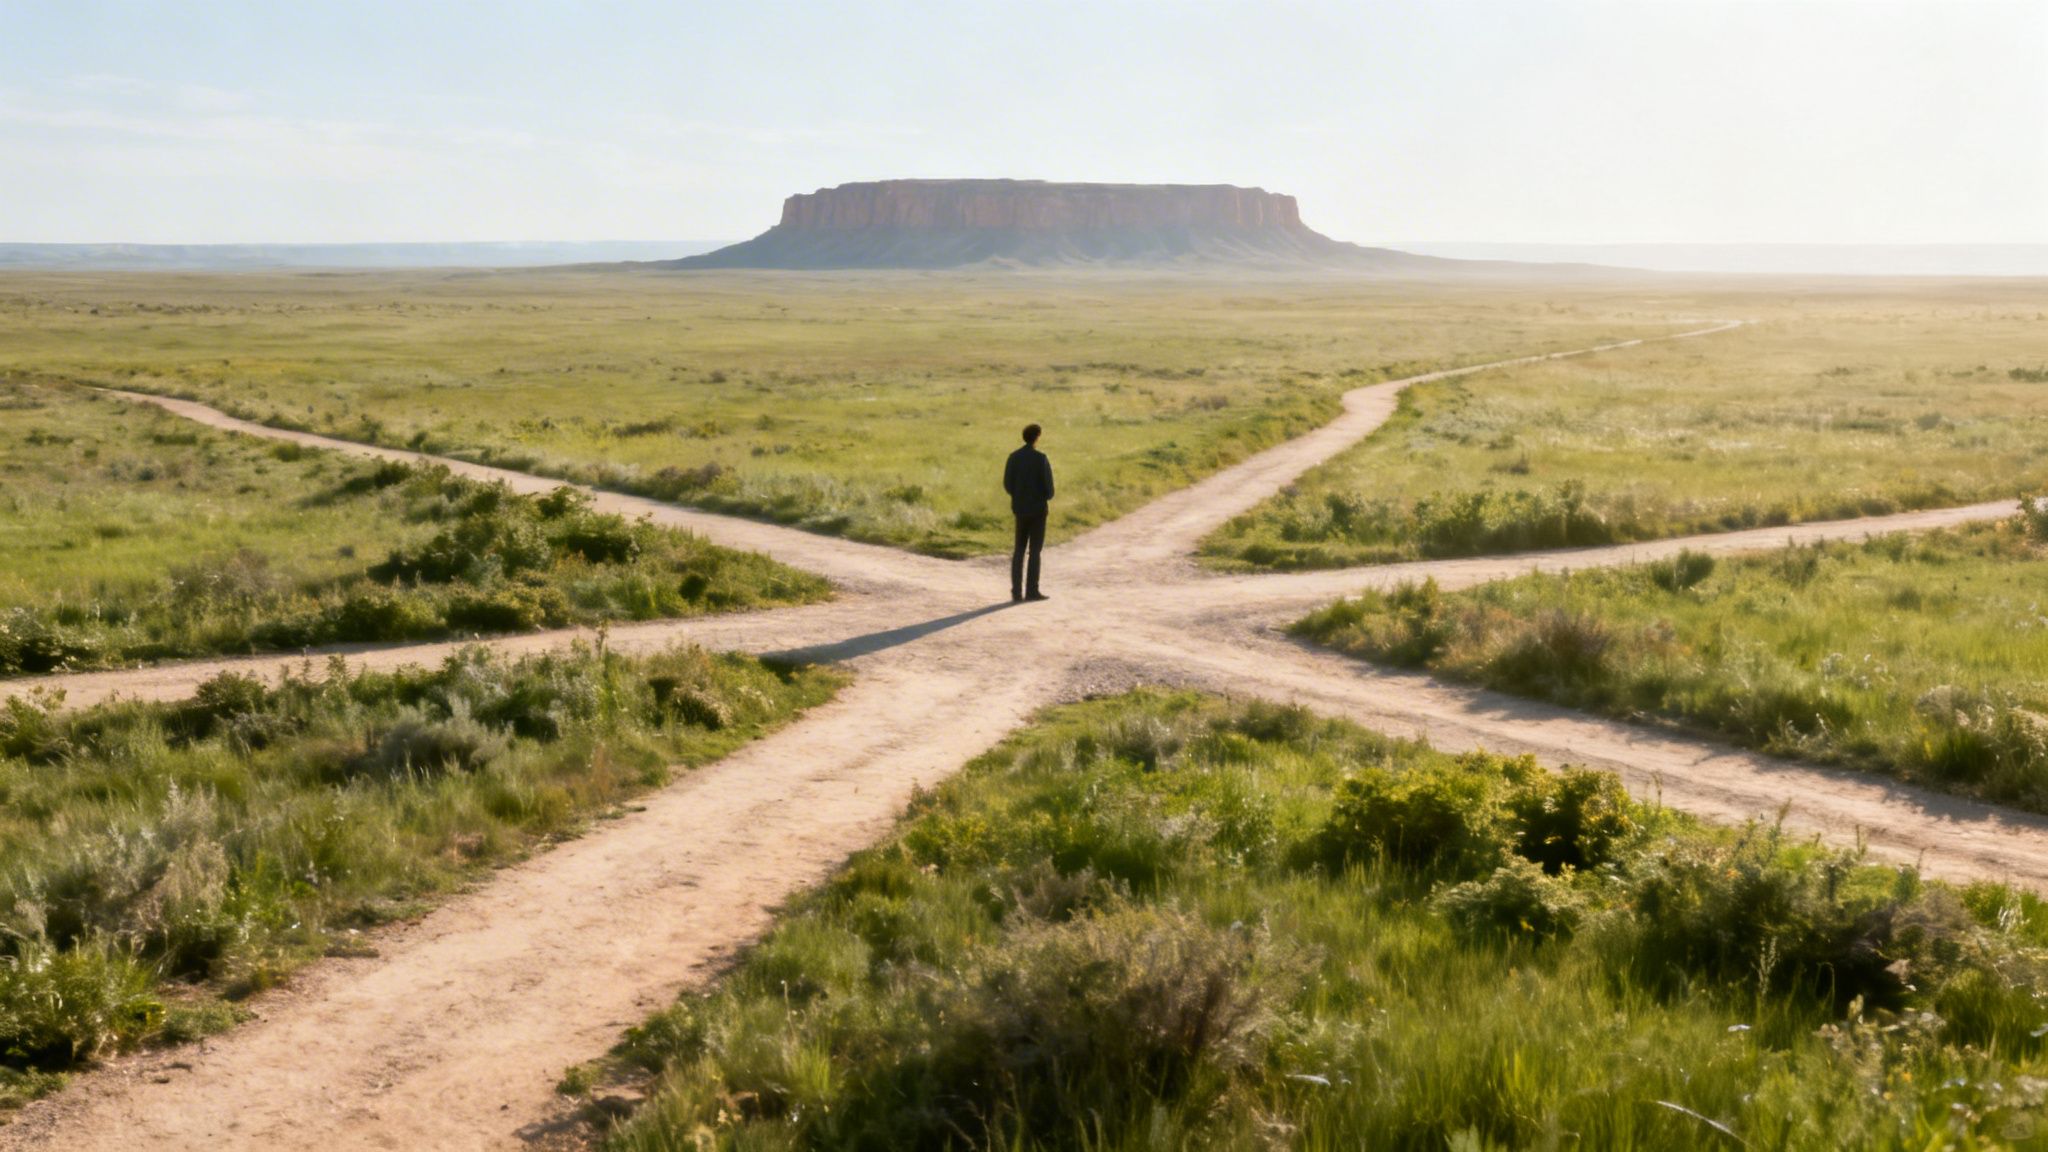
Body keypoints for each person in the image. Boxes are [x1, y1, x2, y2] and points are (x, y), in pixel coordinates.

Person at [1003, 423, 1054, 602]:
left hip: (1020, 509)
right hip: (1038, 510)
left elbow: (1007, 484)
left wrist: (1018, 496)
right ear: (1037, 437)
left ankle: (1016, 592)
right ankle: (1032, 590)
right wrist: (1043, 497)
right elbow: (1050, 490)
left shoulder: (1014, 457)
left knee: (1019, 550)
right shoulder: (1041, 458)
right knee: (1034, 551)